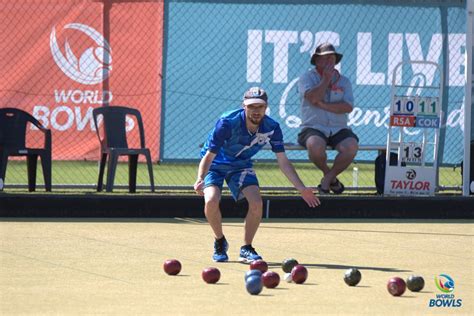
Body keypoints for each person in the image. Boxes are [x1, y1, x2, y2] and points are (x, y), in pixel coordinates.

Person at [194, 87, 320, 263]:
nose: (256, 111)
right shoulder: (227, 123)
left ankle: (246, 248)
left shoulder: (272, 127)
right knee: (211, 200)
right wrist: (200, 178)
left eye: (259, 107)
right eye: (251, 106)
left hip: (241, 165)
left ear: (266, 107)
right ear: (243, 106)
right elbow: (209, 155)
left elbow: (283, 161)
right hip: (215, 164)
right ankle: (220, 240)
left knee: (256, 202)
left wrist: (301, 188)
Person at [297, 43, 359, 194]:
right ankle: (331, 178)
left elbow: (347, 107)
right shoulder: (306, 78)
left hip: (339, 128)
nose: (329, 62)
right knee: (315, 146)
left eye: (332, 59)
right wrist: (325, 80)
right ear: (317, 61)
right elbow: (313, 97)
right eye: (325, 59)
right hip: (313, 127)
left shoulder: (344, 81)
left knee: (351, 146)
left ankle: (327, 179)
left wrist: (323, 105)